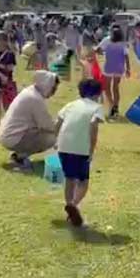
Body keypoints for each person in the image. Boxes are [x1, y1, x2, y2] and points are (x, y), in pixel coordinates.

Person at [54, 79, 105, 227]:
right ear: (98, 94)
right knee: (83, 182)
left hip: (63, 146)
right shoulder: (96, 107)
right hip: (81, 148)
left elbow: (58, 121)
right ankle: (74, 205)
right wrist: (91, 148)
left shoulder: (70, 105)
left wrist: (55, 140)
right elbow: (93, 125)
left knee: (70, 179)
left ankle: (70, 206)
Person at [0, 71, 60, 169]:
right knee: (52, 138)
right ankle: (21, 158)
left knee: (43, 133)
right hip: (13, 137)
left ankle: (19, 155)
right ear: (46, 85)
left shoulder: (30, 92)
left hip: (8, 134)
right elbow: (47, 125)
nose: (54, 92)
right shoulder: (35, 98)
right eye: (53, 88)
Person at [97, 26, 131, 118]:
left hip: (109, 67)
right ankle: (115, 107)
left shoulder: (107, 40)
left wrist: (103, 53)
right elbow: (126, 56)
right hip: (119, 68)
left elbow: (98, 49)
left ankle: (112, 105)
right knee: (115, 88)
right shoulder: (123, 43)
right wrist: (128, 69)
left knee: (107, 88)